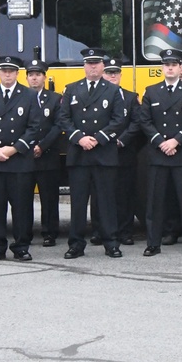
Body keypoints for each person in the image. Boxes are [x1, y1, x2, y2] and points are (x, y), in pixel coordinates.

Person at [57, 47, 128, 259]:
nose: (93, 67)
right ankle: (76, 244)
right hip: (79, 154)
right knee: (78, 202)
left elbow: (119, 119)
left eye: (97, 63)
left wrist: (98, 138)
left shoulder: (113, 90)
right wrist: (79, 137)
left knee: (106, 202)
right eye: (89, 63)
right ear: (84, 66)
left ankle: (111, 243)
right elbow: (63, 118)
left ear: (103, 66)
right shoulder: (71, 89)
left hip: (103, 153)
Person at [138, 48, 182, 256]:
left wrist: (176, 141)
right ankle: (153, 243)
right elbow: (145, 120)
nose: (170, 68)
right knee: (155, 201)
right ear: (162, 68)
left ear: (181, 68)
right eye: (166, 64)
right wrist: (161, 142)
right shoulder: (151, 91)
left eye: (174, 65)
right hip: (159, 153)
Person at [0, 55, 42, 261]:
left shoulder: (29, 95)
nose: (7, 74)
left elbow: (34, 127)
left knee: (21, 207)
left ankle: (21, 246)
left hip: (19, 161)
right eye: (3, 71)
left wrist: (14, 149)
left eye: (11, 71)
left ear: (16, 73)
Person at [101, 57, 143, 245]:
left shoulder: (130, 97)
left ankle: (126, 232)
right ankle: (99, 230)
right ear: (103, 74)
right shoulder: (97, 97)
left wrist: (122, 140)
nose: (112, 76)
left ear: (120, 75)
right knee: (102, 194)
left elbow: (137, 122)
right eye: (108, 73)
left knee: (125, 193)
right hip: (101, 151)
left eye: (115, 73)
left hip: (124, 151)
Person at [27, 59, 64, 248]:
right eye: (31, 75)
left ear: (44, 77)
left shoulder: (55, 99)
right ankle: (25, 232)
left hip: (48, 155)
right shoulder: (20, 97)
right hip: (24, 156)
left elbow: (59, 125)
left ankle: (50, 232)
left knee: (49, 198)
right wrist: (26, 146)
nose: (34, 78)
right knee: (23, 197)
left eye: (38, 74)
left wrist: (42, 146)